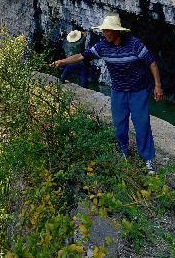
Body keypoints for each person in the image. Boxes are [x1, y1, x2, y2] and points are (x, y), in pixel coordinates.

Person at [51, 14, 163, 173]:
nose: (104, 34)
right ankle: (124, 152)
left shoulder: (135, 44)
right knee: (119, 126)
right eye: (103, 31)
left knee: (142, 125)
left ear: (116, 32)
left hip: (138, 91)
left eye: (107, 31)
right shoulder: (103, 46)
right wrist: (63, 61)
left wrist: (157, 86)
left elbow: (151, 63)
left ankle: (148, 159)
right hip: (118, 91)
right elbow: (81, 56)